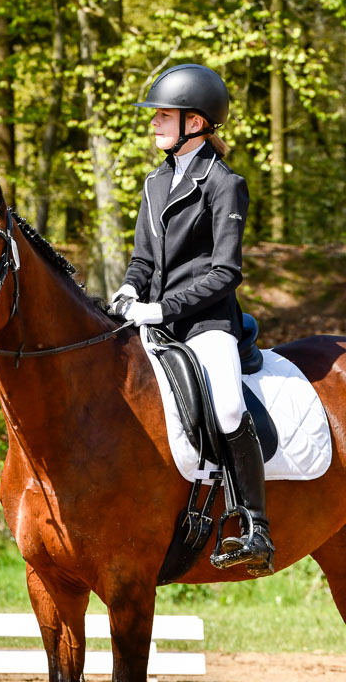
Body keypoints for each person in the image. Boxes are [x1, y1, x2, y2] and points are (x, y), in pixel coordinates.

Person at [111, 63, 275, 576]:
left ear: (197, 122)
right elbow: (143, 260)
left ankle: (255, 526)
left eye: (164, 114)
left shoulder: (225, 184)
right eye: (156, 114)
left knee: (226, 407)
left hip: (207, 324)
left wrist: (162, 307)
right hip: (153, 321)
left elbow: (225, 272)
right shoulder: (154, 182)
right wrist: (129, 289)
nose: (154, 123)